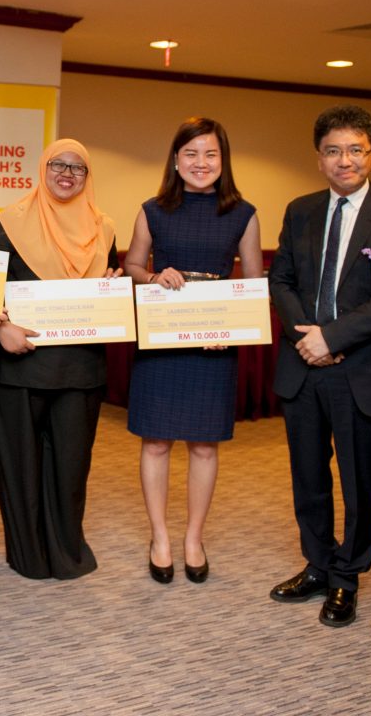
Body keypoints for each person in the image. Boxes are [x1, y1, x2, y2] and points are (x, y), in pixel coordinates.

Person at [267, 104, 371, 627]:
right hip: (303, 365)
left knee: (360, 481)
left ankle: (347, 576)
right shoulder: (301, 210)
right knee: (308, 476)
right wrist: (307, 340)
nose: (345, 160)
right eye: (333, 151)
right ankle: (317, 563)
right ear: (319, 158)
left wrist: (332, 338)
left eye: (356, 149)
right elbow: (281, 280)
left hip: (361, 369)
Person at [123, 117, 263, 585]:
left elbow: (253, 283)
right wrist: (153, 275)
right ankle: (160, 538)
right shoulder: (152, 210)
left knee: (204, 445)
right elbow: (133, 265)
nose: (201, 163)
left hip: (213, 343)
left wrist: (233, 328)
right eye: (191, 154)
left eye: (210, 154)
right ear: (176, 160)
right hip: (163, 341)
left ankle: (193, 539)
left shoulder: (243, 213)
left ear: (223, 160)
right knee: (156, 442)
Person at [0, 138, 120, 580]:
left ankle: (65, 549)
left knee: (71, 465)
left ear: (87, 176)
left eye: (78, 168)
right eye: (59, 164)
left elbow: (108, 286)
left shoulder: (103, 229)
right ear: (43, 168)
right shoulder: (8, 223)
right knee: (20, 464)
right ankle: (29, 555)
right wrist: (0, 328)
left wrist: (110, 289)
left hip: (80, 368)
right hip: (19, 367)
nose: (67, 174)